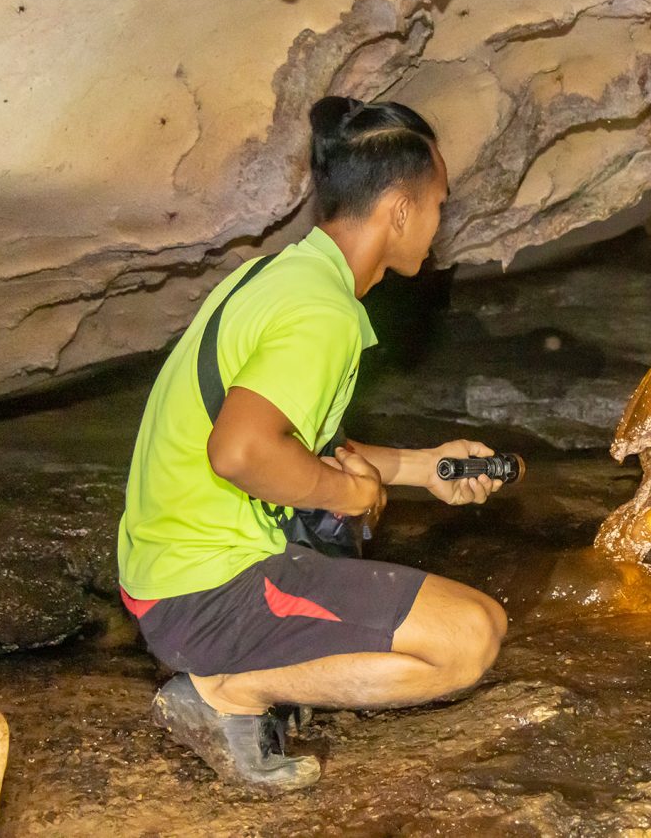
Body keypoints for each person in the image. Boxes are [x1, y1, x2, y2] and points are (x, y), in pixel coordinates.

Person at [116, 96, 507, 794]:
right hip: (202, 584)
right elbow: (239, 451)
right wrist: (346, 492)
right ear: (398, 209)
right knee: (469, 636)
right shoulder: (321, 312)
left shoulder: (284, 276)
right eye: (439, 204)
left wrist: (423, 467)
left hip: (170, 567)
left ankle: (232, 680)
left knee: (430, 593)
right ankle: (225, 694)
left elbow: (298, 440)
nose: (441, 225)